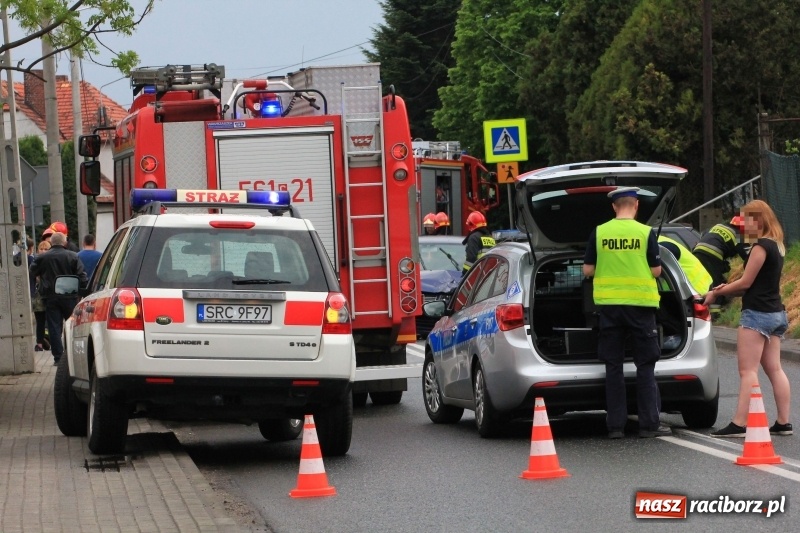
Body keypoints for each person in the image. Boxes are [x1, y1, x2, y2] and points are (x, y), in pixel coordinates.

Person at [582, 187, 671, 439]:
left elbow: (588, 270)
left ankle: (615, 427)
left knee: (613, 367)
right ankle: (648, 425)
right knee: (645, 365)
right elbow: (656, 271)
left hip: (609, 308)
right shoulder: (645, 233)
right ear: (636, 205)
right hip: (641, 309)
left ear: (614, 207)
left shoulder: (599, 232)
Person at [704, 200, 791, 437]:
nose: (743, 227)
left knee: (747, 371)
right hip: (776, 313)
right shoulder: (778, 245)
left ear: (758, 220)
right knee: (775, 369)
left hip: (757, 314)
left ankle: (739, 423)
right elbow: (757, 282)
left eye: (747, 221)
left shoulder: (760, 246)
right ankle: (784, 422)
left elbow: (746, 282)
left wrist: (717, 292)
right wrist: (728, 287)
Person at [29, 232, 87, 365]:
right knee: (73, 326)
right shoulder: (72, 256)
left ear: (51, 243)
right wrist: (82, 291)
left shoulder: (43, 257)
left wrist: (42, 277)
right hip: (70, 296)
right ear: (64, 242)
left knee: (54, 327)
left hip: (51, 296)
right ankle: (75, 355)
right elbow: (82, 276)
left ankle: (58, 358)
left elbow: (32, 271)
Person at [692, 215, 748, 303]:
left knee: (703, 281)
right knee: (717, 284)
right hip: (712, 255)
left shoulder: (718, 226)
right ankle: (716, 311)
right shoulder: (738, 234)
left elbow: (705, 234)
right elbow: (746, 255)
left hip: (696, 252)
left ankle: (699, 301)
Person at [32, 240, 51, 352]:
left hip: (49, 295)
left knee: (51, 320)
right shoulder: (35, 261)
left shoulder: (51, 261)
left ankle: (50, 341)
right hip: (38, 296)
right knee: (40, 321)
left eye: (46, 249)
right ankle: (39, 343)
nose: (43, 251)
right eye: (41, 248)